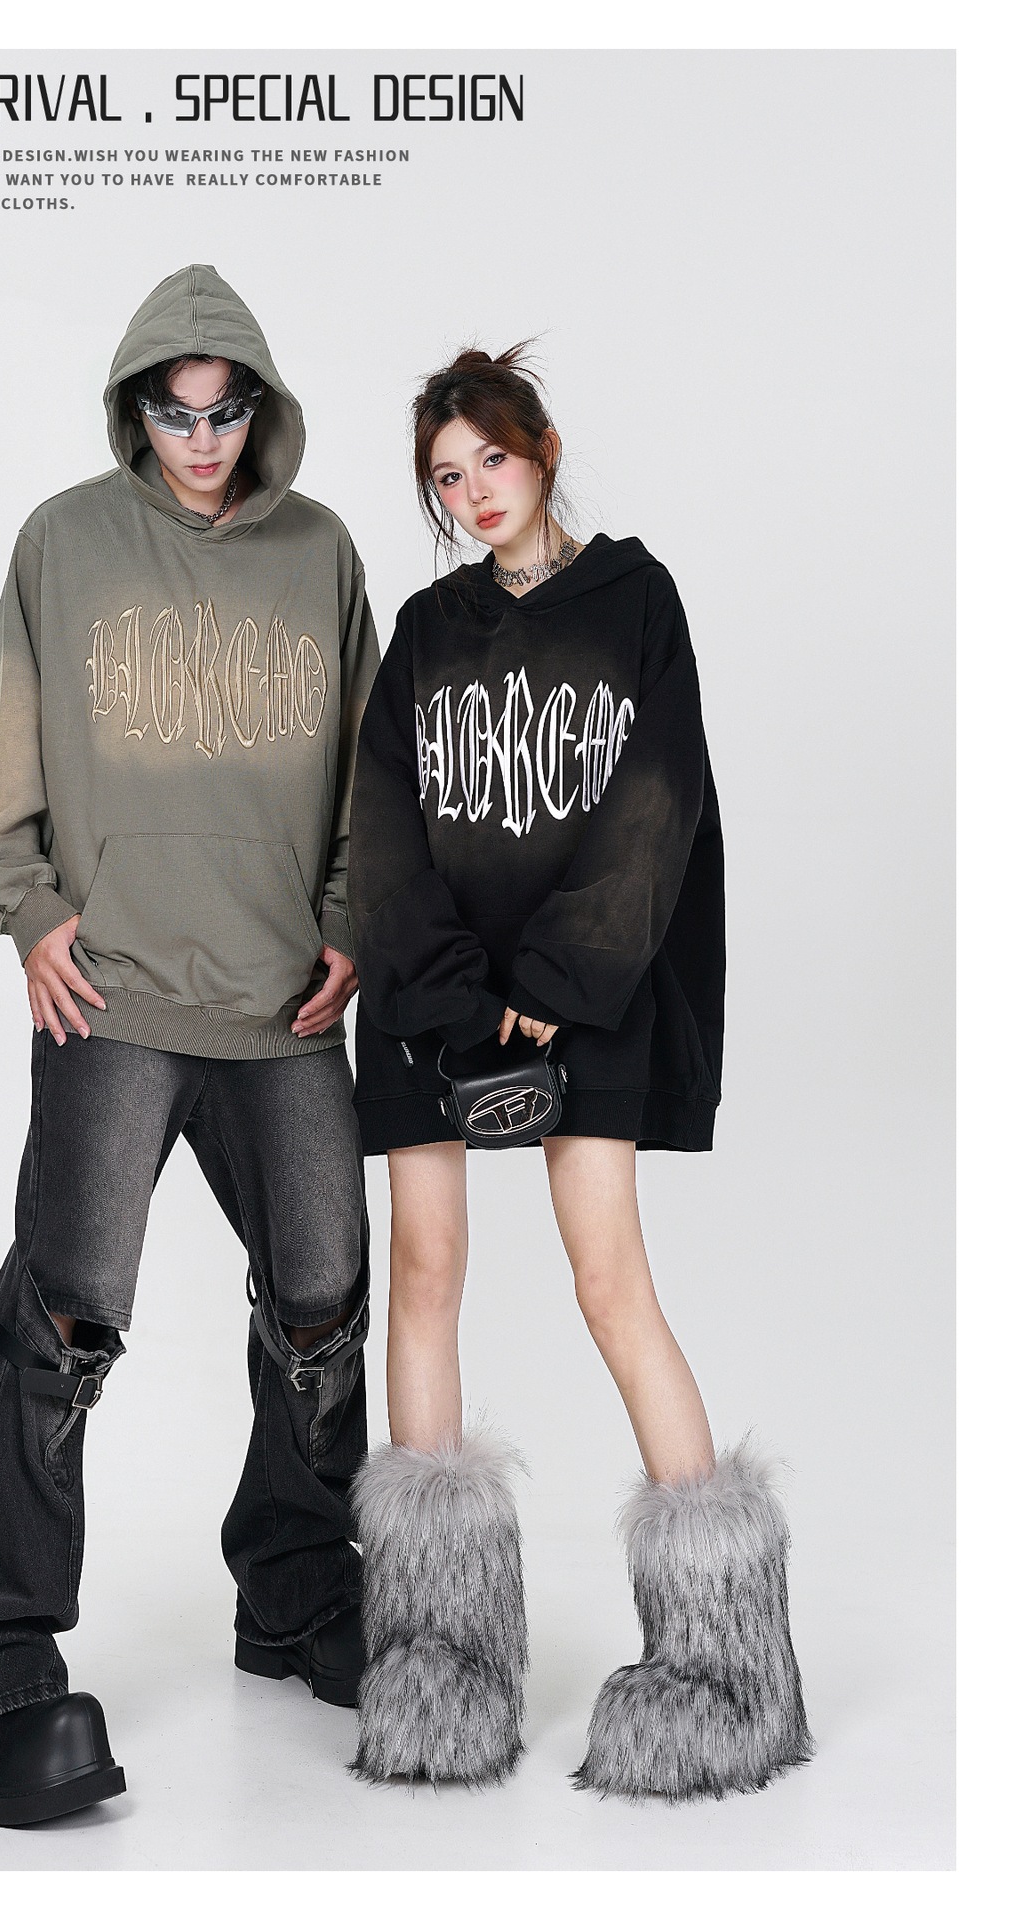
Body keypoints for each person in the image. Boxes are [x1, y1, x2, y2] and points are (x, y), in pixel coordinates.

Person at [0, 264, 381, 1827]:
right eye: (173, 414)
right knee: (64, 1322)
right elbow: (3, 766)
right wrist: (28, 907)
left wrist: (351, 918)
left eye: (225, 410)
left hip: (280, 1005)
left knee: (321, 1307)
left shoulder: (320, 552)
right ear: (135, 411)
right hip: (109, 992)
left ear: (260, 407)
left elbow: (367, 777)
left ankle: (297, 1592)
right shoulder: (63, 542)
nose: (201, 439)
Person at [345, 345, 813, 1798]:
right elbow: (382, 818)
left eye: (490, 459)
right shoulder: (425, 629)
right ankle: (438, 1660)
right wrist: (444, 995)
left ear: (541, 448)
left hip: (582, 998)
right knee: (422, 1270)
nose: (473, 493)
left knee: (609, 1280)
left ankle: (723, 1660)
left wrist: (555, 987)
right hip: (430, 1002)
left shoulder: (634, 600)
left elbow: (657, 802)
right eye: (446, 477)